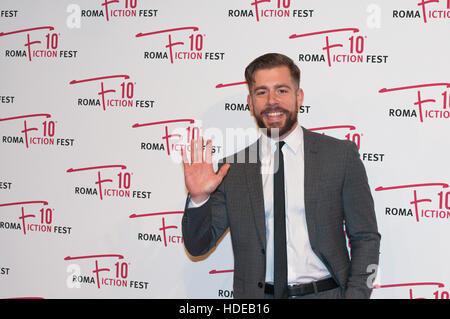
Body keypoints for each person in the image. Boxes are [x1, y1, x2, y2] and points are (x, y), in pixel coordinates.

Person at [181, 53, 380, 299]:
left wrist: (357, 295)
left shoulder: (339, 156)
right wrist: (199, 198)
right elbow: (198, 246)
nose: (272, 101)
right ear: (250, 102)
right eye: (261, 92)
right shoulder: (231, 168)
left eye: (282, 91)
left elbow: (366, 237)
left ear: (299, 97)